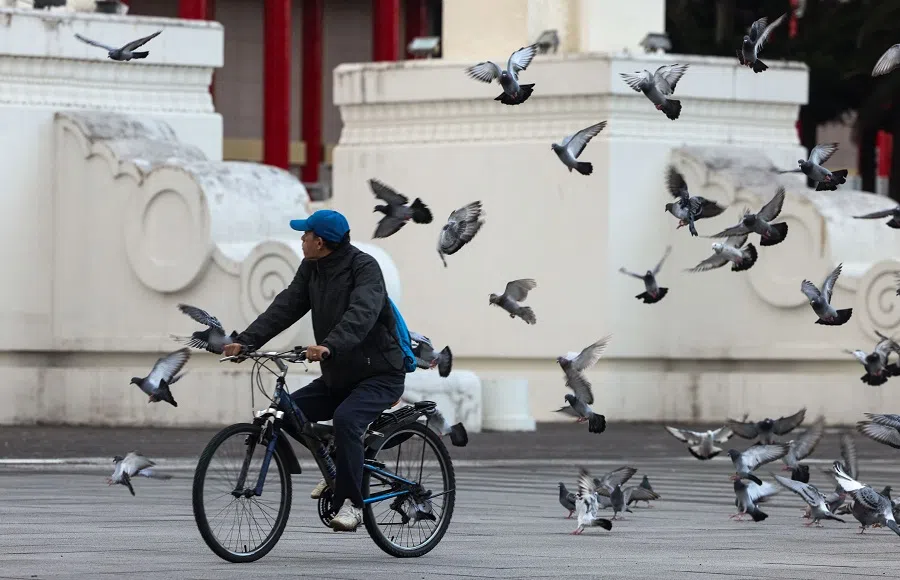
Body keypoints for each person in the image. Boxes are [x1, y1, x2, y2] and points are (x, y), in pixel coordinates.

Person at [222, 209, 406, 532]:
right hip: (340, 375)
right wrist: (246, 341)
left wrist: (329, 345)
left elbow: (361, 314)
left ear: (319, 242)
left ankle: (352, 503)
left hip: (379, 373)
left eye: (305, 235)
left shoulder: (365, 269)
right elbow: (285, 306)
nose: (301, 239)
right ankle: (338, 464)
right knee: (286, 411)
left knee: (347, 419)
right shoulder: (312, 268)